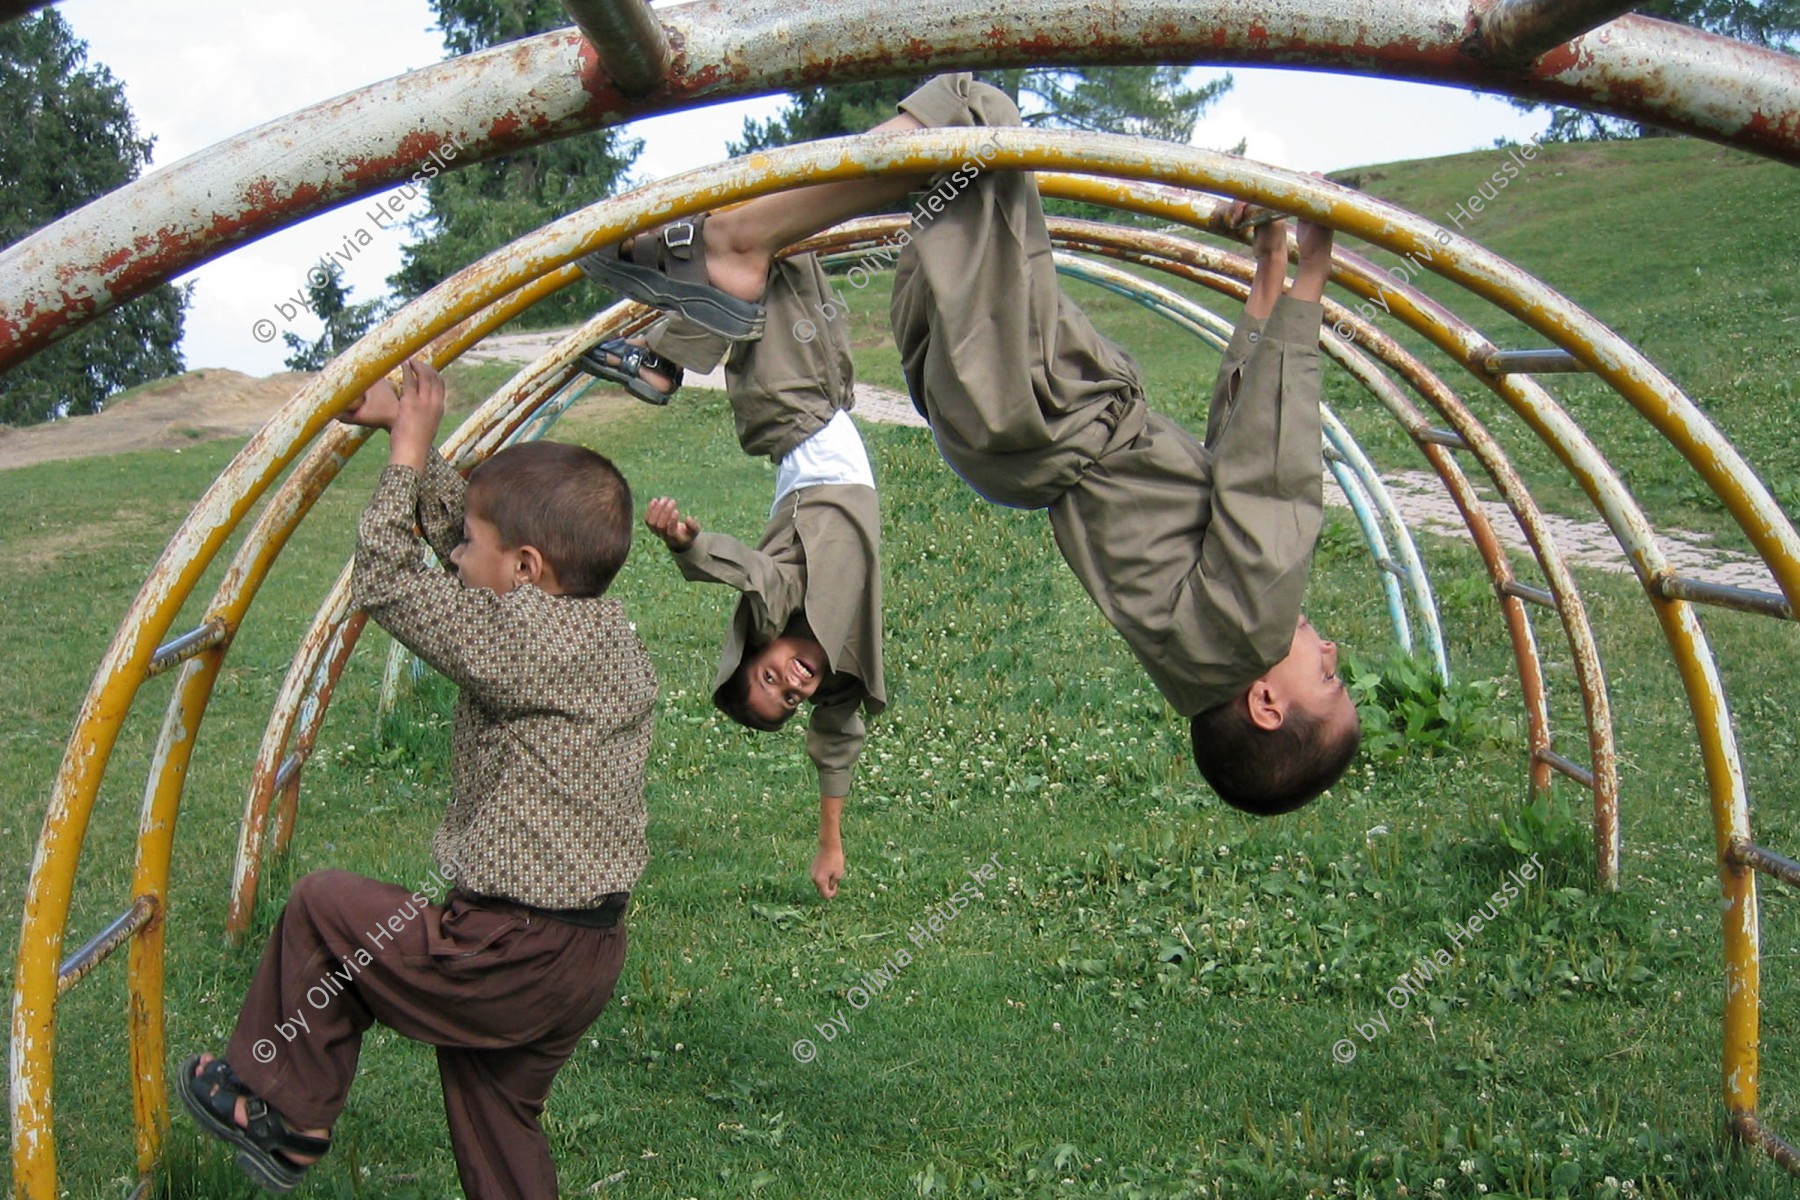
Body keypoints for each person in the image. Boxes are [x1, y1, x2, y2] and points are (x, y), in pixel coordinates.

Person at [585, 73, 1358, 816]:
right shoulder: (1197, 661)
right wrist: (1271, 275)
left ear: (1264, 703)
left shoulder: (1249, 632)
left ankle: (734, 251)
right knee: (952, 157)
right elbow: (1234, 451)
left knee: (970, 119)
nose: (1329, 655)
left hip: (1036, 400)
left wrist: (1312, 277)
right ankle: (712, 294)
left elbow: (1274, 469)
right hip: (996, 423)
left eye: (1328, 681)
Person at [179, 359, 656, 1196]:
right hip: (586, 950)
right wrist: (412, 440)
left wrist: (404, 461)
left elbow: (387, 584)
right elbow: (471, 543)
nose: (456, 551)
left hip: (513, 946)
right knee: (495, 1116)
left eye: (471, 545)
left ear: (526, 571)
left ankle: (283, 1112)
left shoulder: (519, 642)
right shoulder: (596, 630)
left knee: (326, 910)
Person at [580, 252, 885, 900]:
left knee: (741, 259)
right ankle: (674, 313)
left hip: (786, 412)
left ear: (761, 646)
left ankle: (661, 352)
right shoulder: (843, 669)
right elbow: (836, 743)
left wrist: (690, 544)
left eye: (769, 675)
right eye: (791, 695)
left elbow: (755, 576)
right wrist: (830, 842)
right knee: (790, 259)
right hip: (830, 400)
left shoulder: (785, 606)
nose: (794, 679)